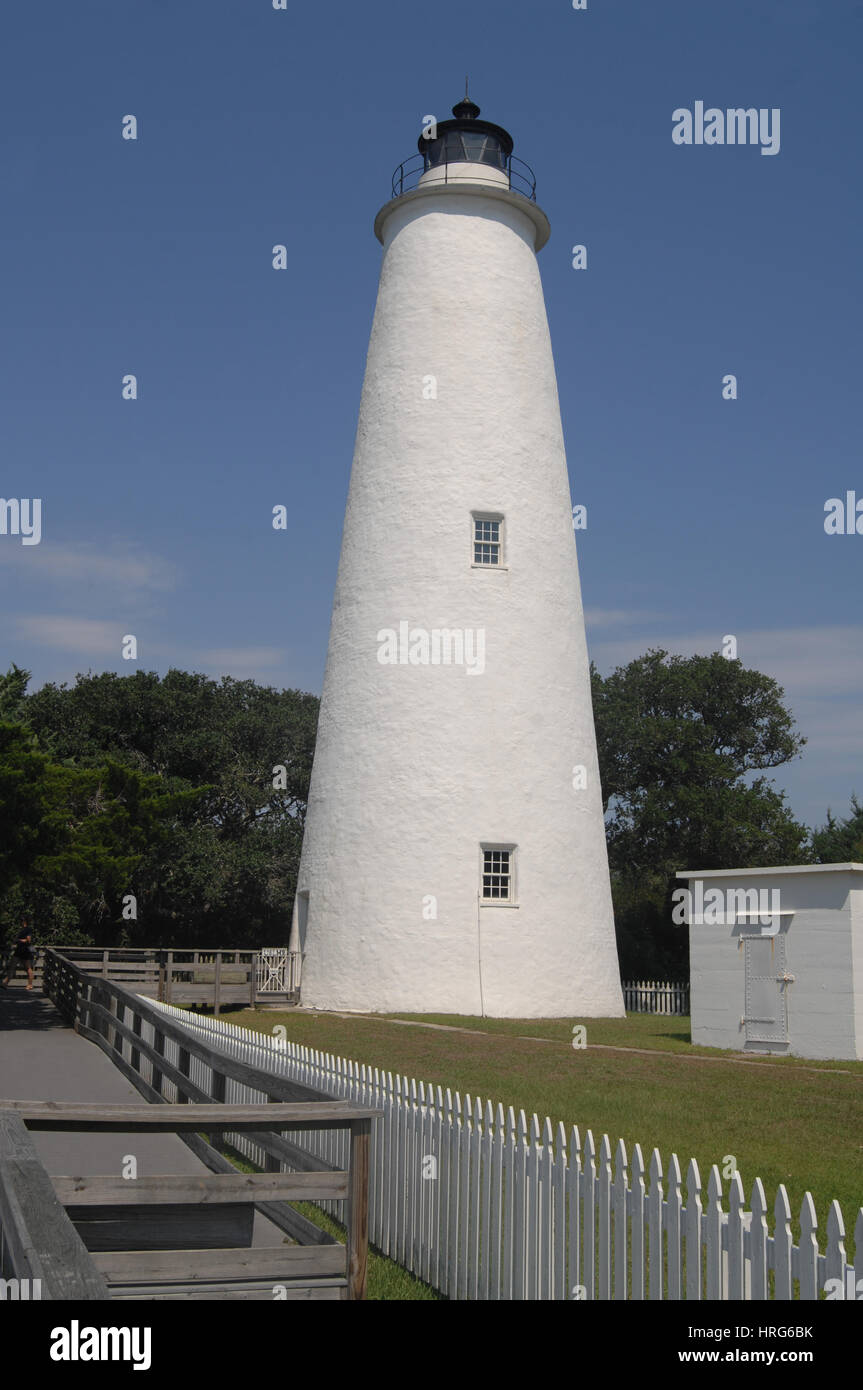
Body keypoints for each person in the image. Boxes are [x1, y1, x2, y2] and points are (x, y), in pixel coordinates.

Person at [1, 921, 35, 991]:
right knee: (12, 966)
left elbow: (28, 940)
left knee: (28, 968)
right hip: (18, 950)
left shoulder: (28, 929)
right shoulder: (21, 930)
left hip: (25, 951)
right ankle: (5, 983)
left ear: (25, 922)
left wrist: (20, 940)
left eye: (22, 921)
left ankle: (30, 984)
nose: (20, 923)